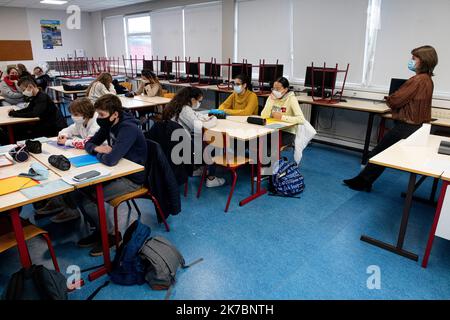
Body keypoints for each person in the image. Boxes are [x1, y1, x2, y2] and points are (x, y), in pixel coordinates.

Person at [344, 45, 438, 192]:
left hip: (406, 125)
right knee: (383, 153)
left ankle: (363, 182)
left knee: (378, 154)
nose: (411, 61)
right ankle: (363, 181)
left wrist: (389, 98)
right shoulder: (428, 80)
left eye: (414, 58)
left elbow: (396, 100)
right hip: (415, 125)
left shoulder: (417, 80)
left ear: (424, 60)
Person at [77, 94, 147, 256]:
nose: (99, 119)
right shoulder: (109, 123)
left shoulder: (128, 128)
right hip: (116, 172)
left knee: (90, 200)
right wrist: (97, 149)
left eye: (102, 115)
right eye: (98, 115)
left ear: (115, 114)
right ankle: (100, 231)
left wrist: (101, 153)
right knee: (79, 193)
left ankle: (111, 237)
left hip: (132, 179)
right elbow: (89, 142)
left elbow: (111, 160)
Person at [35, 98, 102, 223]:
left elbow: (88, 142)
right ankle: (61, 204)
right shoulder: (82, 121)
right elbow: (70, 129)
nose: (73, 117)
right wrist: (63, 134)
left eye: (76, 114)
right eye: (72, 114)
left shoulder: (96, 124)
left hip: (98, 158)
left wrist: (68, 142)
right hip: (87, 154)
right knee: (58, 170)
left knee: (68, 176)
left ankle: (69, 208)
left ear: (86, 113)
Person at [162, 87, 225, 188]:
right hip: (183, 148)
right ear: (192, 100)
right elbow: (199, 127)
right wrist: (214, 120)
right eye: (199, 101)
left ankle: (196, 168)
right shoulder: (185, 109)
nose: (199, 103)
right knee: (215, 145)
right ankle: (211, 178)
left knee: (200, 140)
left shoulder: (177, 106)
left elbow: (195, 115)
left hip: (172, 145)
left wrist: (204, 117)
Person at [261, 77, 305, 148]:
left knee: (269, 146)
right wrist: (271, 101)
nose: (275, 91)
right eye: (273, 89)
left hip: (287, 132)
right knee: (258, 141)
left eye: (278, 89)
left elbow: (301, 119)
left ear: (285, 89)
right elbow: (263, 115)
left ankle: (272, 158)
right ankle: (265, 158)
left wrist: (282, 117)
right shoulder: (271, 97)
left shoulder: (291, 99)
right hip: (272, 129)